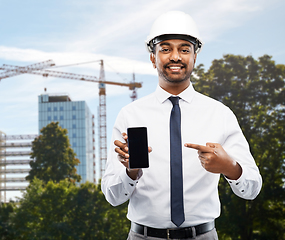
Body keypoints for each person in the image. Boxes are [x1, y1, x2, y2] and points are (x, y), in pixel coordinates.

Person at [101, 11, 262, 240]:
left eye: (184, 49)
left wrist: (229, 167)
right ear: (152, 57)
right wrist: (131, 171)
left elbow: (252, 189)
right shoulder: (130, 115)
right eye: (165, 49)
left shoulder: (220, 114)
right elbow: (112, 196)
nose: (175, 56)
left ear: (195, 57)